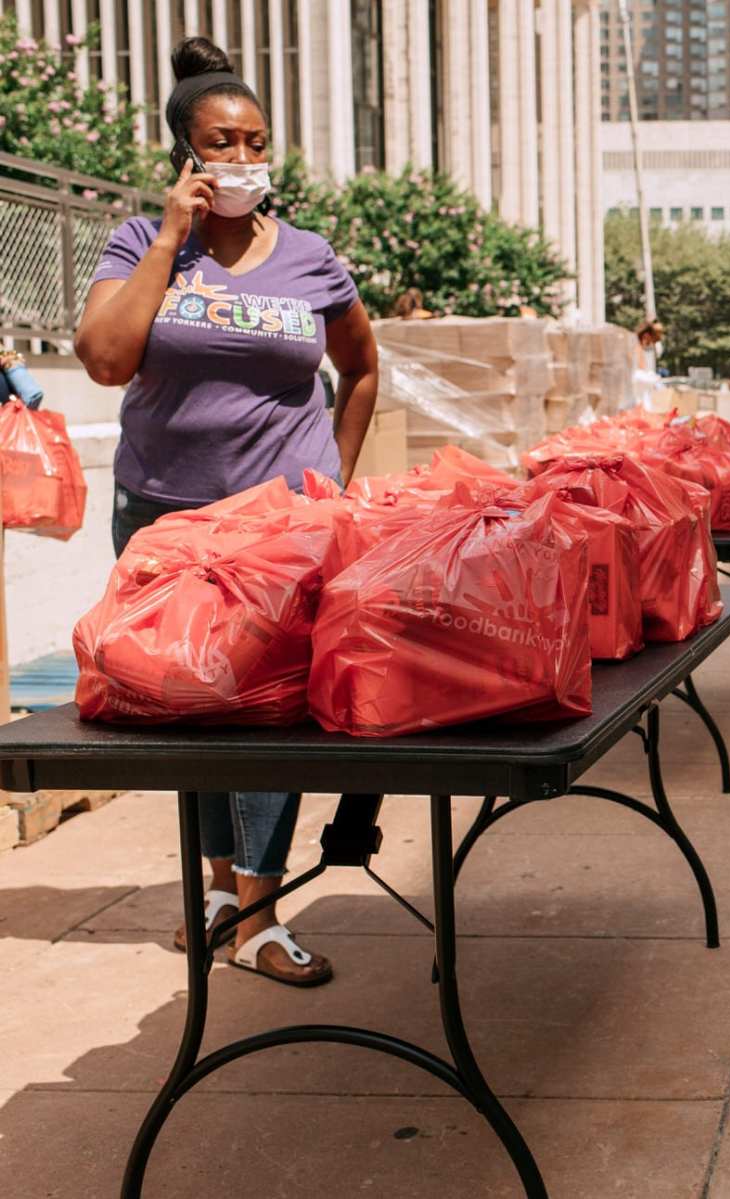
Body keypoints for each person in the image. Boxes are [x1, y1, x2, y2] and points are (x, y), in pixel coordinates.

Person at [73, 36, 379, 988]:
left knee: (271, 713)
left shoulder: (311, 257)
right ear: (185, 156)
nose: (244, 160)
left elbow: (362, 370)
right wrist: (170, 238)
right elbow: (105, 359)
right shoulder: (135, 244)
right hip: (165, 524)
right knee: (186, 709)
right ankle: (216, 896)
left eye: (256, 142)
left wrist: (335, 478)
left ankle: (257, 908)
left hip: (280, 528)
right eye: (223, 143)